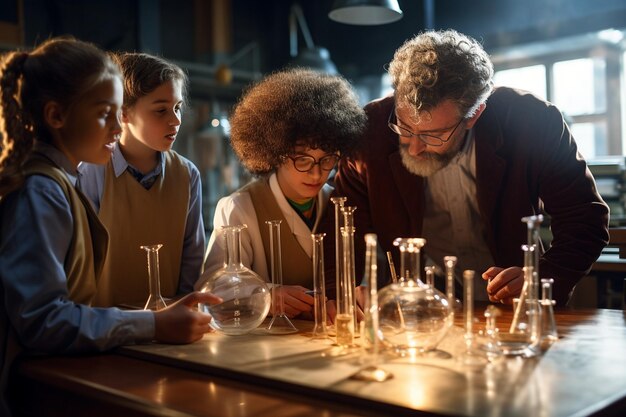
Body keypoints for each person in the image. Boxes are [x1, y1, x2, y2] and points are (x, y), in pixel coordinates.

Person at [0, 38, 220, 416]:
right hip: (29, 391)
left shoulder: (58, 184)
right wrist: (151, 325)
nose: (118, 127)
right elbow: (43, 321)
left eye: (119, 113)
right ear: (56, 116)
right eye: (106, 113)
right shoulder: (44, 192)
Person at [321, 29, 609, 307]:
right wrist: (338, 297)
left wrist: (542, 278)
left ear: (474, 115)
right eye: (405, 127)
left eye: (434, 135)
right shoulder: (370, 129)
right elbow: (341, 229)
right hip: (420, 310)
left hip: (515, 309)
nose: (414, 147)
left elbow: (584, 218)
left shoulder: (533, 121)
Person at [197, 68, 366, 318]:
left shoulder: (339, 204)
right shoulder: (240, 208)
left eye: (327, 160)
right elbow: (211, 293)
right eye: (303, 160)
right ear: (274, 152)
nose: (316, 174)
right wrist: (265, 296)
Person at [79, 52, 205, 307]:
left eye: (177, 107)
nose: (176, 120)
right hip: (105, 331)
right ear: (123, 112)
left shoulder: (187, 174)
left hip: (170, 330)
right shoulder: (92, 171)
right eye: (161, 110)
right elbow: (80, 263)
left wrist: (182, 308)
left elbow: (192, 257)